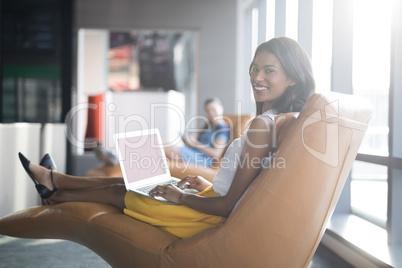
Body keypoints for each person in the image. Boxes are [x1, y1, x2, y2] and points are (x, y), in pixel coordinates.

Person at [18, 37, 315, 239]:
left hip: (209, 216)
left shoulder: (264, 124)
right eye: (254, 68)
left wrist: (182, 196)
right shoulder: (280, 121)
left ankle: (56, 187)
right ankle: (56, 183)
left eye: (269, 71)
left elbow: (228, 206)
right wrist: (208, 185)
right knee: (134, 180)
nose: (257, 77)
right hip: (210, 195)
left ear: (292, 77)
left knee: (122, 190)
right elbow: (246, 183)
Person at [164, 97, 230, 167]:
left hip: (202, 159)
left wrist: (195, 143)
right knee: (161, 143)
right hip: (192, 152)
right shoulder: (208, 126)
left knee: (162, 145)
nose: (211, 113)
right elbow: (196, 144)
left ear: (221, 108)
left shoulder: (222, 129)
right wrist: (188, 142)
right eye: (208, 111)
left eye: (213, 109)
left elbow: (216, 155)